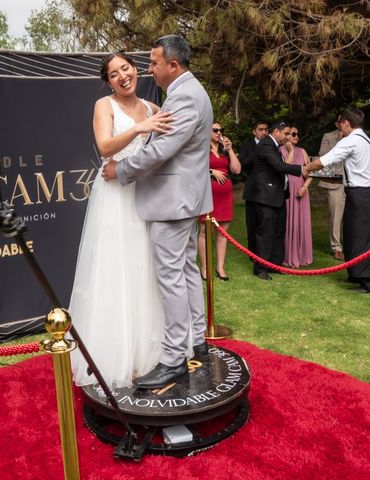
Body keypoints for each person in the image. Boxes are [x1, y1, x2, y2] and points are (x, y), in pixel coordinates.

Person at [102, 35, 213, 389]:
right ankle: (197, 339)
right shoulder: (186, 92)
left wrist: (121, 170)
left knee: (171, 277)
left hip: (172, 201)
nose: (148, 69)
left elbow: (160, 150)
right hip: (181, 199)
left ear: (173, 66)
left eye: (152, 63)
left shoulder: (184, 97)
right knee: (185, 270)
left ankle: (174, 358)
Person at [69, 52, 175, 388]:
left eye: (126, 68)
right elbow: (104, 146)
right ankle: (113, 355)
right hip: (115, 197)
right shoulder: (104, 105)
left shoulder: (151, 106)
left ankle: (147, 354)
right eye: (114, 73)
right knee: (116, 270)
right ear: (108, 81)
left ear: (136, 69)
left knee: (144, 270)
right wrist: (140, 128)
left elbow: (173, 130)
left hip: (143, 194)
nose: (122, 76)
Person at [305, 107, 370, 293]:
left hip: (361, 193)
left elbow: (325, 160)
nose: (340, 129)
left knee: (359, 238)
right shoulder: (367, 140)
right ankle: (358, 275)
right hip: (367, 192)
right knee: (352, 235)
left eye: (341, 126)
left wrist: (305, 169)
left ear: (347, 123)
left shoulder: (352, 141)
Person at [243, 120, 304, 280]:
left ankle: (275, 264)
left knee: (278, 232)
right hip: (265, 196)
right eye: (285, 134)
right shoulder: (266, 144)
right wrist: (303, 169)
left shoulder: (273, 146)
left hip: (278, 195)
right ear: (276, 131)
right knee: (265, 233)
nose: (287, 137)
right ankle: (261, 268)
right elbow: (279, 166)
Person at [198, 122, 241, 281]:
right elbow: (193, 169)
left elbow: (237, 170)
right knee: (204, 232)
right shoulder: (201, 148)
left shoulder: (225, 150)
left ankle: (220, 267)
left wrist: (230, 150)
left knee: (222, 232)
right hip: (207, 195)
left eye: (220, 130)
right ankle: (204, 267)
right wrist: (211, 171)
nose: (218, 133)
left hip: (225, 196)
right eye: (215, 130)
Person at [281, 125, 313, 267]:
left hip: (301, 191)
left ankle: (302, 255)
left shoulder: (303, 151)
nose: (295, 136)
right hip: (287, 192)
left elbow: (309, 172)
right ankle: (287, 255)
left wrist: (305, 187)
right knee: (288, 223)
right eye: (292, 134)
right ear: (286, 135)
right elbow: (285, 167)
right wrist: (291, 150)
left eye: (297, 134)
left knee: (301, 223)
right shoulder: (279, 151)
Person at [239, 120, 269, 254]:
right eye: (260, 129)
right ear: (254, 131)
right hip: (252, 191)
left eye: (266, 130)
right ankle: (253, 253)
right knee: (252, 224)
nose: (263, 132)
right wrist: (258, 150)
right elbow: (243, 164)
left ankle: (265, 252)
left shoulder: (271, 145)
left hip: (268, 191)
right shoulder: (247, 146)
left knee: (265, 224)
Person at [318, 118, 345, 260]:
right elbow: (323, 155)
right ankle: (337, 247)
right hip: (336, 181)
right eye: (342, 121)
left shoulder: (356, 137)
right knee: (336, 216)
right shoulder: (328, 137)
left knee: (353, 216)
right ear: (337, 123)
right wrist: (339, 142)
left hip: (354, 182)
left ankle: (353, 245)